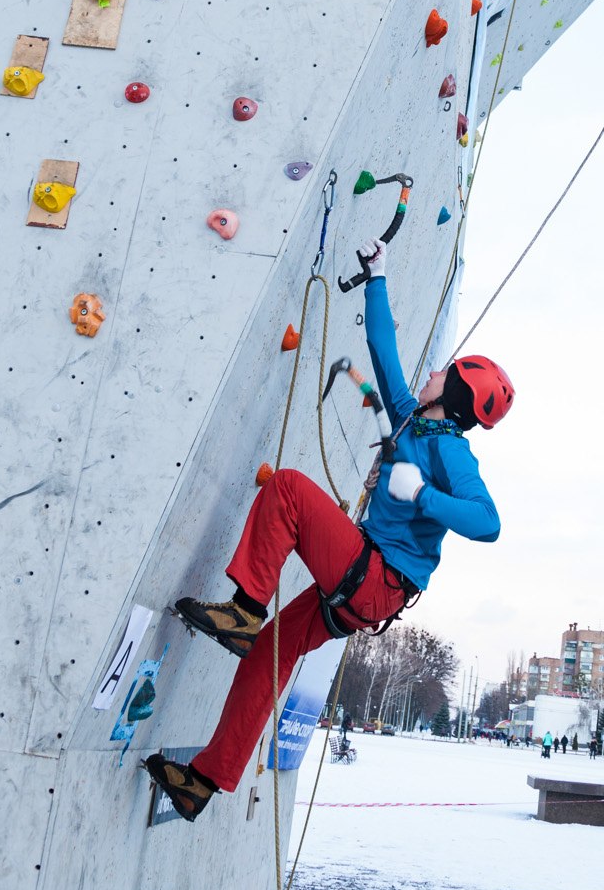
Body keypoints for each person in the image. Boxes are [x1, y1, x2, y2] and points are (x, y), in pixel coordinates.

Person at [145, 246, 513, 821]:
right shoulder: (413, 421)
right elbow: (384, 350)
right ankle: (203, 782)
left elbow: (487, 523)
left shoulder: (450, 452)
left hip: (375, 579)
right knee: (270, 654)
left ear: (455, 394)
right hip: (366, 589)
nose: (431, 372)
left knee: (288, 488)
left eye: (443, 372)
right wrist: (379, 277)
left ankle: (245, 609)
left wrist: (422, 494)